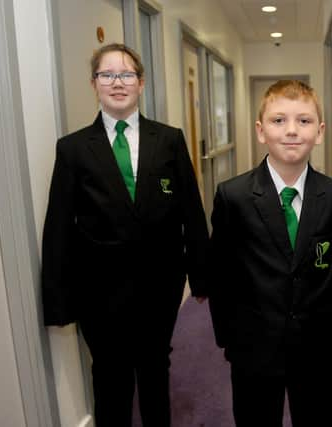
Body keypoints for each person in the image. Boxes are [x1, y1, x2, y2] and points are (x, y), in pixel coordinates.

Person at [42, 43, 209, 427]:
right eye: (108, 74)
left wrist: (201, 274)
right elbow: (58, 227)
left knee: (154, 368)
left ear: (141, 82)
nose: (118, 83)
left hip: (160, 283)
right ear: (94, 83)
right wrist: (58, 301)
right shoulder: (72, 149)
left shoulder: (169, 139)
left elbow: (191, 210)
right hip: (98, 290)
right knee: (110, 375)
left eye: (127, 74)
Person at [208, 80, 332, 427]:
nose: (291, 131)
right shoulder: (234, 196)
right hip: (254, 347)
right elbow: (222, 276)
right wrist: (230, 340)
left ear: (319, 132)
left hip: (317, 348)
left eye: (303, 121)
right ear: (260, 131)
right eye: (278, 121)